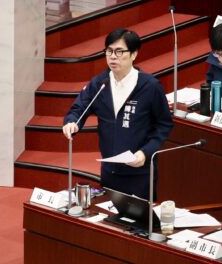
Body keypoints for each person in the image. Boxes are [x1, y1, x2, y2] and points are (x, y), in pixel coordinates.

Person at [62, 28, 173, 200]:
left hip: (139, 172)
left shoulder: (150, 87)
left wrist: (146, 152)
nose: (113, 56)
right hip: (109, 170)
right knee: (109, 222)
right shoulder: (100, 84)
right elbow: (79, 108)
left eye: (119, 51)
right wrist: (72, 122)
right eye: (109, 51)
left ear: (134, 54)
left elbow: (164, 124)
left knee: (138, 224)